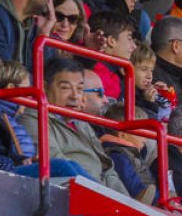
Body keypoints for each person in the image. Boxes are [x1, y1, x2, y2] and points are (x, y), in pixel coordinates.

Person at [20, 57, 126, 193]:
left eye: (80, 89)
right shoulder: (33, 117)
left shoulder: (80, 121)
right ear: (45, 87)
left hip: (102, 192)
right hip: (71, 193)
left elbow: (106, 167)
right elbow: (55, 162)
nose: (75, 96)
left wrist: (126, 200)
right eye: (65, 88)